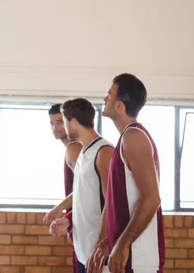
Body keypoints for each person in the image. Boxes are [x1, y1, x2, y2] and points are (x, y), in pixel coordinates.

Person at [88, 73, 165, 273]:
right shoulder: (125, 139)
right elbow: (117, 201)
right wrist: (109, 239)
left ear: (119, 105)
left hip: (138, 259)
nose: (105, 100)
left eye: (109, 95)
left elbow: (152, 198)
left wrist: (122, 244)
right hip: (126, 256)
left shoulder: (134, 137)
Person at [46, 98, 114, 273]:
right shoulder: (85, 152)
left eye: (64, 121)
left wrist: (102, 244)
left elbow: (111, 202)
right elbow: (84, 196)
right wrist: (67, 220)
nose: (61, 127)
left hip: (98, 251)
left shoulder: (104, 151)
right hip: (83, 248)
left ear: (73, 122)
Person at [44, 103, 83, 273]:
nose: (55, 127)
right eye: (52, 123)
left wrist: (63, 211)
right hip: (78, 221)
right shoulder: (70, 148)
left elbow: (88, 188)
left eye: (59, 122)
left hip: (87, 223)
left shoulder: (75, 148)